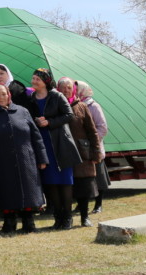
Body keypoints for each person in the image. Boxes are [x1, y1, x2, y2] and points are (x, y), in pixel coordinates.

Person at [0, 84, 47, 234]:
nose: (1, 97)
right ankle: (10, 221)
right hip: (0, 161)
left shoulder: (23, 111)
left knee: (29, 190)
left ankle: (28, 220)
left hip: (26, 159)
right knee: (5, 191)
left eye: (4, 94)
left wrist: (42, 158)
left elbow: (36, 137)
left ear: (9, 94)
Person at [30, 68, 81, 230]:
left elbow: (69, 115)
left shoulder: (56, 95)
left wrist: (50, 122)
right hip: (42, 144)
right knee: (51, 183)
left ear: (45, 81)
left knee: (64, 182)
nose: (34, 81)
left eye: (37, 79)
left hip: (60, 144)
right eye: (33, 78)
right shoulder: (31, 98)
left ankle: (67, 218)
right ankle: (58, 217)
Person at [56, 77, 101, 227]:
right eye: (62, 87)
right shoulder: (55, 106)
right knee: (66, 187)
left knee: (83, 186)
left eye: (69, 87)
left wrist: (96, 153)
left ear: (73, 90)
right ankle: (66, 217)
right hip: (63, 152)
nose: (66, 90)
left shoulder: (81, 106)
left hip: (82, 152)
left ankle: (84, 216)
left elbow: (92, 131)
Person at [76, 80, 110, 214]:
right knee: (83, 178)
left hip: (93, 148)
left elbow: (102, 127)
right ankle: (81, 204)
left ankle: (98, 204)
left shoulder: (93, 106)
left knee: (98, 177)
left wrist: (93, 142)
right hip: (80, 148)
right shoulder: (74, 104)